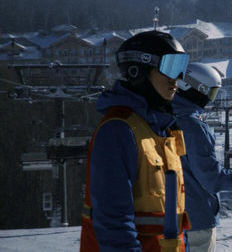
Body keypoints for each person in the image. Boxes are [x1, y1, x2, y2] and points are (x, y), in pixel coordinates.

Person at [80, 30, 191, 252]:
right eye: (170, 67)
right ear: (138, 70)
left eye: (181, 67)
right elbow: (114, 224)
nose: (177, 78)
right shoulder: (118, 131)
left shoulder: (163, 131)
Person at [172, 61, 232, 252]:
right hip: (195, 219)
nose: (210, 100)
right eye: (210, 93)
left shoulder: (160, 117)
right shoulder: (193, 127)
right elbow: (210, 177)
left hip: (167, 217)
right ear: (195, 88)